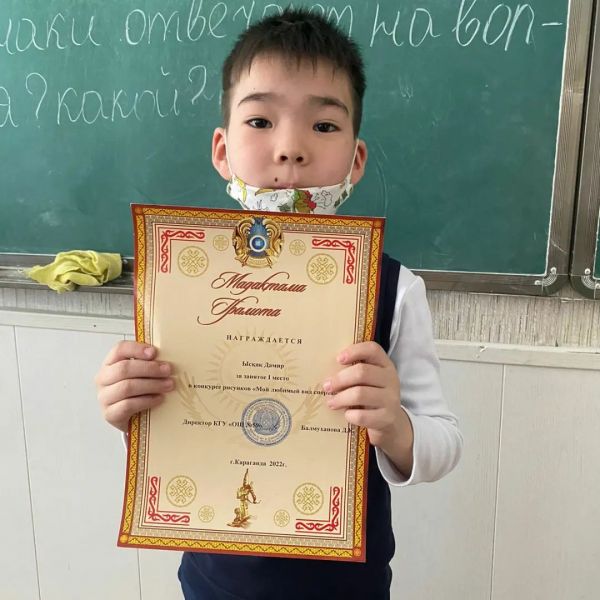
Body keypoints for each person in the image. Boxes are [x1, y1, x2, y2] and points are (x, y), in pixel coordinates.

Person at [95, 8, 463, 600]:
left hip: (346, 586)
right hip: (213, 580)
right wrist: (128, 411)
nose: (290, 149)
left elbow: (443, 442)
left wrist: (395, 424)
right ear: (222, 150)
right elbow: (172, 424)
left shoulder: (394, 289)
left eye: (323, 125)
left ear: (356, 160)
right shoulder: (179, 278)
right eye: (261, 120)